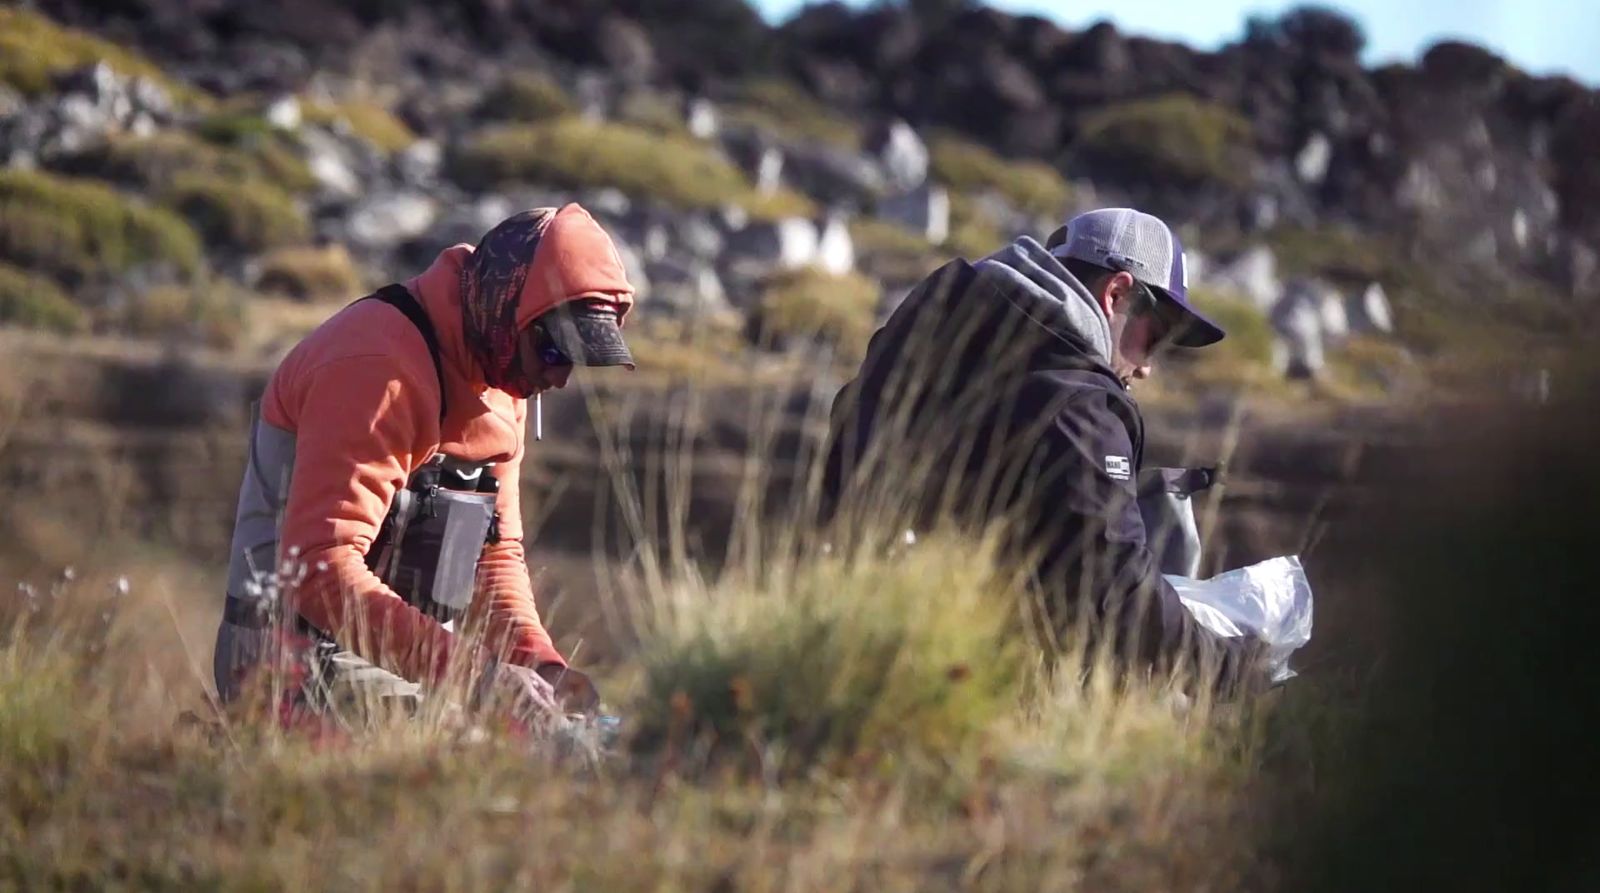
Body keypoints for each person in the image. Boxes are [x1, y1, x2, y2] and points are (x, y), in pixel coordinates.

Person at [213, 203, 637, 722]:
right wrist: (478, 679)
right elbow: (321, 570)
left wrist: (542, 667)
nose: (561, 378)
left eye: (579, 359)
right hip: (289, 668)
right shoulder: (374, 368)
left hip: (425, 673)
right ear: (507, 313)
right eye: (555, 352)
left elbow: (495, 558)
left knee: (571, 742)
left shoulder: (504, 372)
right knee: (514, 758)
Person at [819, 207, 1264, 693]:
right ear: (1116, 294)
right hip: (963, 689)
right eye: (1156, 337)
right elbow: (1116, 592)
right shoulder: (1077, 407)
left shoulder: (923, 343)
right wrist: (1230, 666)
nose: (1147, 368)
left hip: (836, 645)